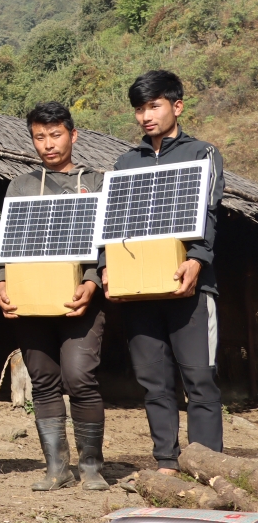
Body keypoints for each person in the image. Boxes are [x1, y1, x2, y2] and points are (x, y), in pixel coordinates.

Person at [99, 70, 225, 474]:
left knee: (200, 381)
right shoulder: (125, 162)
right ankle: (167, 464)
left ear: (177, 105)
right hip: (139, 291)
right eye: (139, 109)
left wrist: (196, 259)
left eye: (153, 105)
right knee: (154, 384)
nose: (145, 116)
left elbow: (207, 213)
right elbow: (113, 224)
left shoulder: (202, 154)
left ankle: (207, 466)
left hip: (191, 286)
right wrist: (107, 270)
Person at [0, 102, 107, 491]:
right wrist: (2, 282)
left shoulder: (94, 182)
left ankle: (91, 465)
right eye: (39, 137)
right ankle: (56, 468)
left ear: (73, 136)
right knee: (43, 380)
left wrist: (91, 284)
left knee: (79, 376)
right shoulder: (22, 186)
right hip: (31, 301)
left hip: (80, 302)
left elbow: (106, 245)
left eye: (55, 134)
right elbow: (8, 245)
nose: (48, 144)